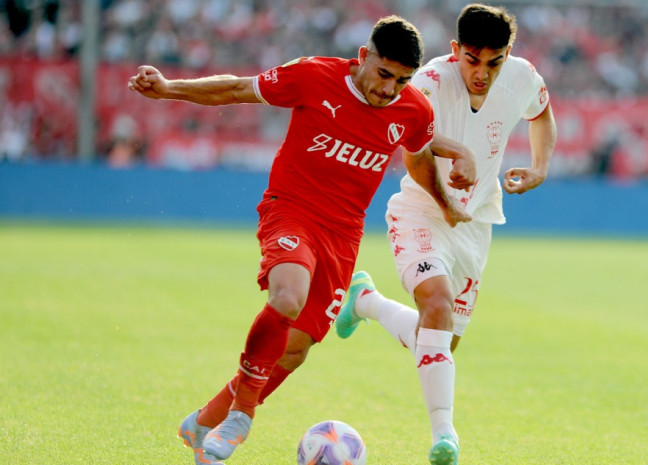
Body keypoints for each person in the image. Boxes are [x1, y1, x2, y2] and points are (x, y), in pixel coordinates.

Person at [127, 16, 477, 465]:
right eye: (384, 74)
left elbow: (421, 150)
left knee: (295, 349)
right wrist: (169, 87)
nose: (390, 89)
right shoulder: (313, 76)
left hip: (344, 234)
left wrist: (447, 201)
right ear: (363, 57)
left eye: (403, 80)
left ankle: (201, 423)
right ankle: (241, 416)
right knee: (287, 297)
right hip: (291, 209)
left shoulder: (412, 109)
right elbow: (237, 88)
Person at [334, 4, 556, 465]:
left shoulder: (522, 76)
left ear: (508, 55)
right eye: (472, 60)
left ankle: (365, 301)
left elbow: (543, 113)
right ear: (456, 51)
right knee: (435, 305)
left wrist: (539, 168)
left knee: (439, 344)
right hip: (422, 208)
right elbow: (412, 150)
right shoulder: (430, 82)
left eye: (493, 62)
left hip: (475, 222)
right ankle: (445, 437)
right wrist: (443, 199)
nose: (482, 73)